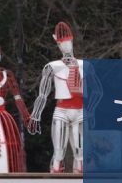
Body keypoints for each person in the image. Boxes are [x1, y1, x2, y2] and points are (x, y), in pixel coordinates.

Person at [27, 21, 88, 173]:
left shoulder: (84, 65)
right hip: (62, 110)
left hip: (80, 111)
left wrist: (92, 109)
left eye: (68, 42)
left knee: (81, 155)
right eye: (63, 43)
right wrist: (35, 116)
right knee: (59, 153)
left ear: (72, 41)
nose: (66, 45)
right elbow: (43, 94)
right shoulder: (52, 67)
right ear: (58, 45)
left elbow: (97, 91)